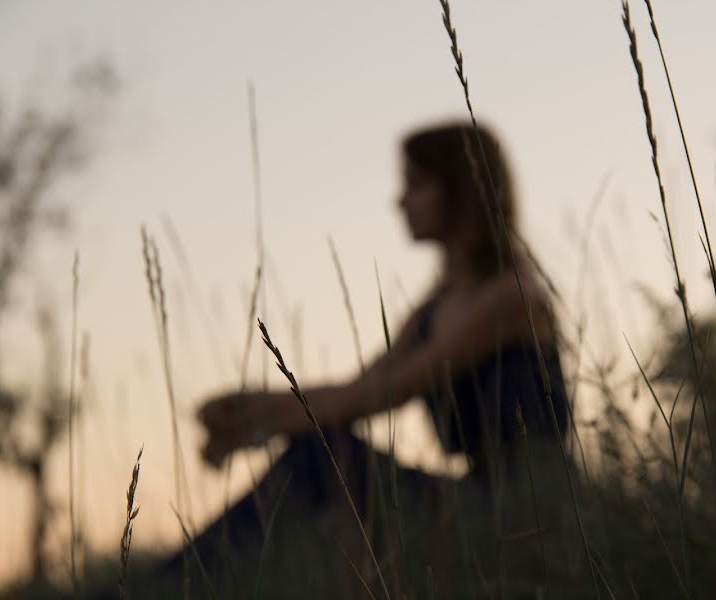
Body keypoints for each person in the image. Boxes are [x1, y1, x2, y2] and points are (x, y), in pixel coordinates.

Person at [162, 121, 570, 594]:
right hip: (472, 499)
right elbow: (359, 386)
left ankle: (163, 588)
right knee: (323, 457)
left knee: (322, 456)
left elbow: (384, 394)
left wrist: (255, 423)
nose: (400, 201)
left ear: (460, 187)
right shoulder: (432, 310)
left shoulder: (513, 296)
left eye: (416, 184)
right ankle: (172, 586)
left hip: (532, 512)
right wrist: (251, 405)